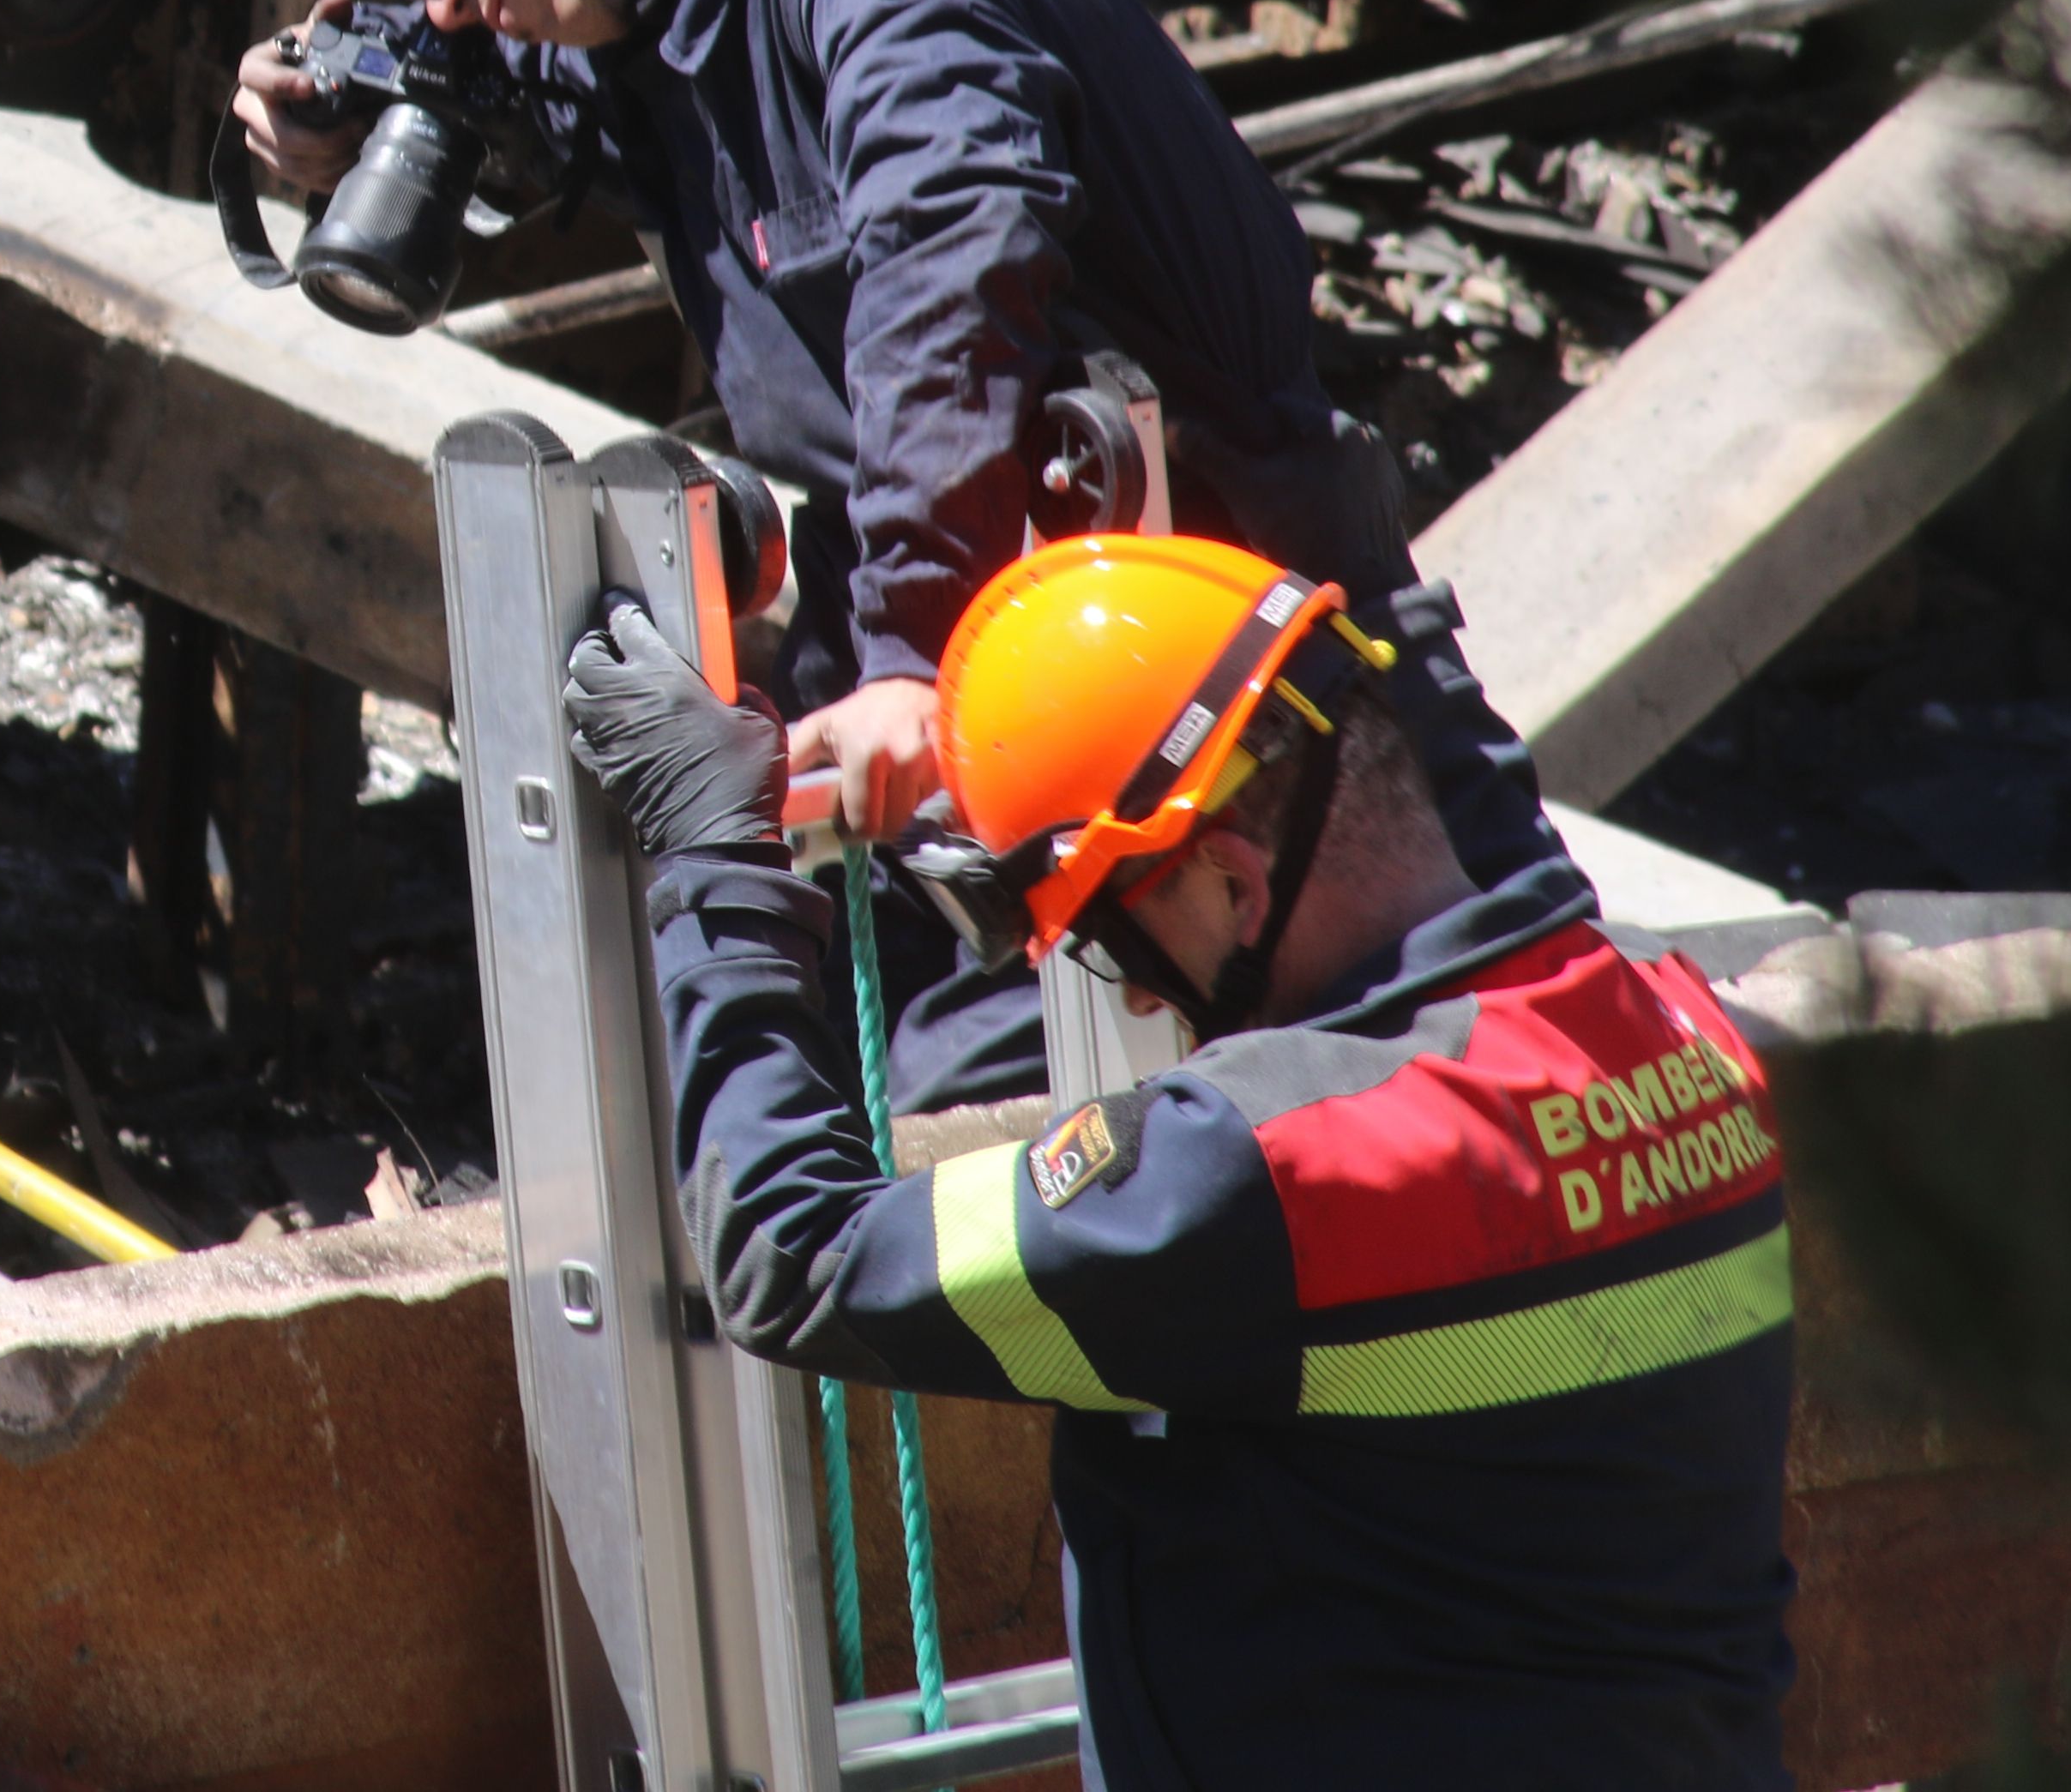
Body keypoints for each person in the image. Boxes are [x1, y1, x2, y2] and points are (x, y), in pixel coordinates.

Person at [232, 0, 1556, 1098]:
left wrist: (910, 658)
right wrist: (354, 92)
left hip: (1280, 752)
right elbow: (540, 99)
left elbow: (956, 259)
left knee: (1502, 1126)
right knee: (890, 1116)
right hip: (1070, 740)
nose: (444, 0)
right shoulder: (670, 12)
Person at [563, 534, 1796, 1790]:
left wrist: (717, 862)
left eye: (1110, 932)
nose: (1133, 985)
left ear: (1230, 882)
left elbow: (799, 1254)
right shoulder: (1676, 1024)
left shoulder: (1269, 1174)